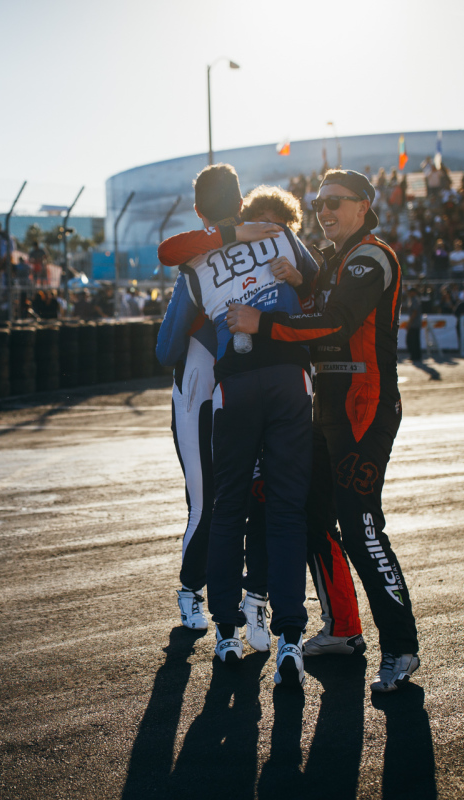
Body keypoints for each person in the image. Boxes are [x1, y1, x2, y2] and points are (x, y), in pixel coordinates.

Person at [225, 169, 421, 693]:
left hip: (366, 412)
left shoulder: (369, 256)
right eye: (318, 203)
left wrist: (259, 323)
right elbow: (318, 310)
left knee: (361, 527)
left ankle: (401, 648)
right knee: (309, 519)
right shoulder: (332, 262)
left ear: (363, 207)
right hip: (325, 412)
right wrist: (299, 282)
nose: (325, 211)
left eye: (336, 202)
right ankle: (344, 630)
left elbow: (335, 323)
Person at [156, 165, 318, 688]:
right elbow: (314, 277)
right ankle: (269, 622)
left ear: (199, 209)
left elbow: (164, 346)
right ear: (241, 200)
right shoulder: (276, 238)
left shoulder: (198, 261)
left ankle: (231, 616)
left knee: (223, 504)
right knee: (274, 506)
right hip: (270, 386)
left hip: (227, 390)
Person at [405, 286, 423, 362]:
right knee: (415, 340)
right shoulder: (413, 299)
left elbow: (414, 312)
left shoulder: (414, 300)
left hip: (414, 324)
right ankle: (416, 356)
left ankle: (415, 356)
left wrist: (409, 323)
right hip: (415, 323)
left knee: (412, 340)